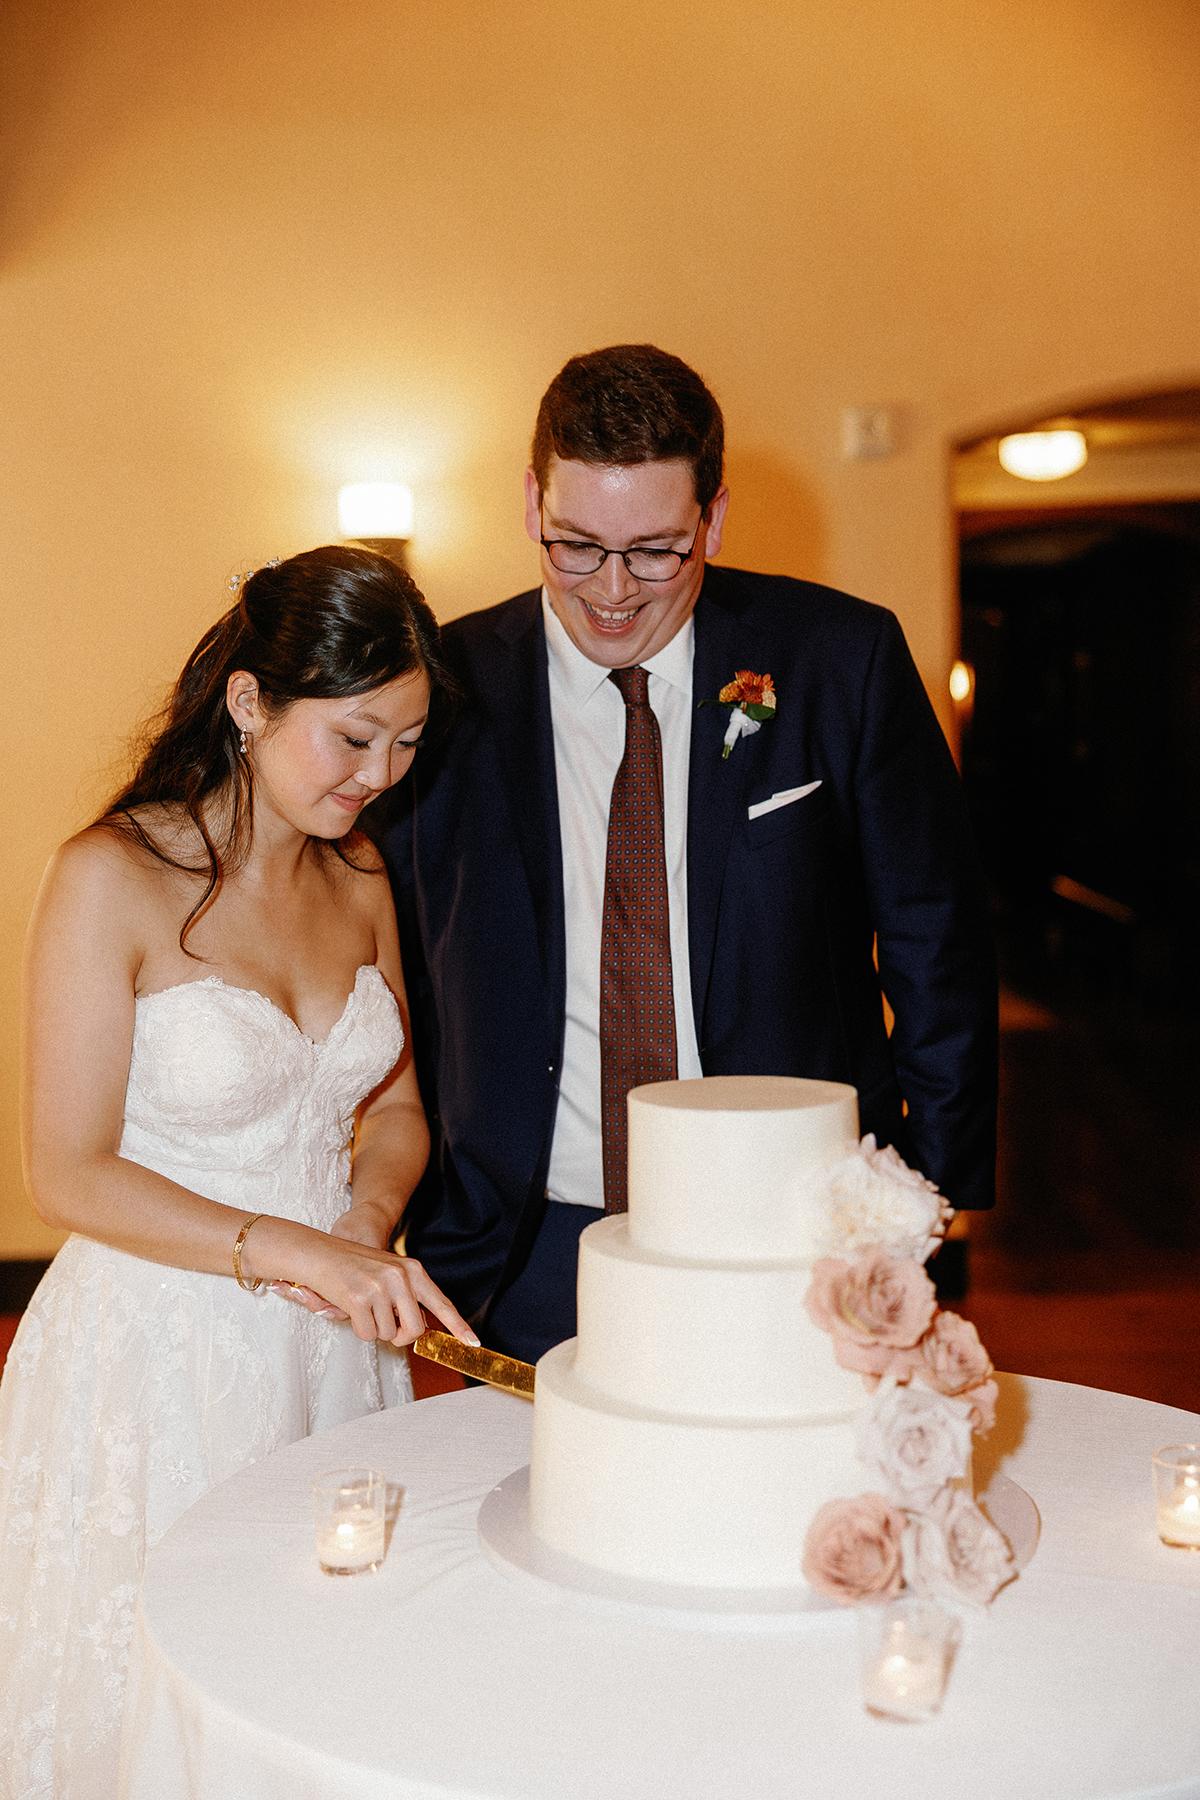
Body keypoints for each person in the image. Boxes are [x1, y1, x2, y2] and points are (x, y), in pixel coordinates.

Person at [385, 343, 997, 1364]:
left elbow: (940, 942)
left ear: (713, 517)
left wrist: (924, 1205)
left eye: (658, 550)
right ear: (533, 502)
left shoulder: (839, 661)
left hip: (801, 1225)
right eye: (576, 544)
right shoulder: (440, 692)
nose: (613, 591)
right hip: (530, 1239)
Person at [0, 545, 477, 1798]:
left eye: (410, 744)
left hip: (334, 1337)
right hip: (158, 1349)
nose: (381, 778)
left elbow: (395, 1108)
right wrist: (288, 1247)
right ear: (252, 702)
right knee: (156, 1688)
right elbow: (67, 1171)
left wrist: (365, 1220)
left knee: (318, 1678)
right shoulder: (110, 877)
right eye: (356, 737)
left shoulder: (361, 874)